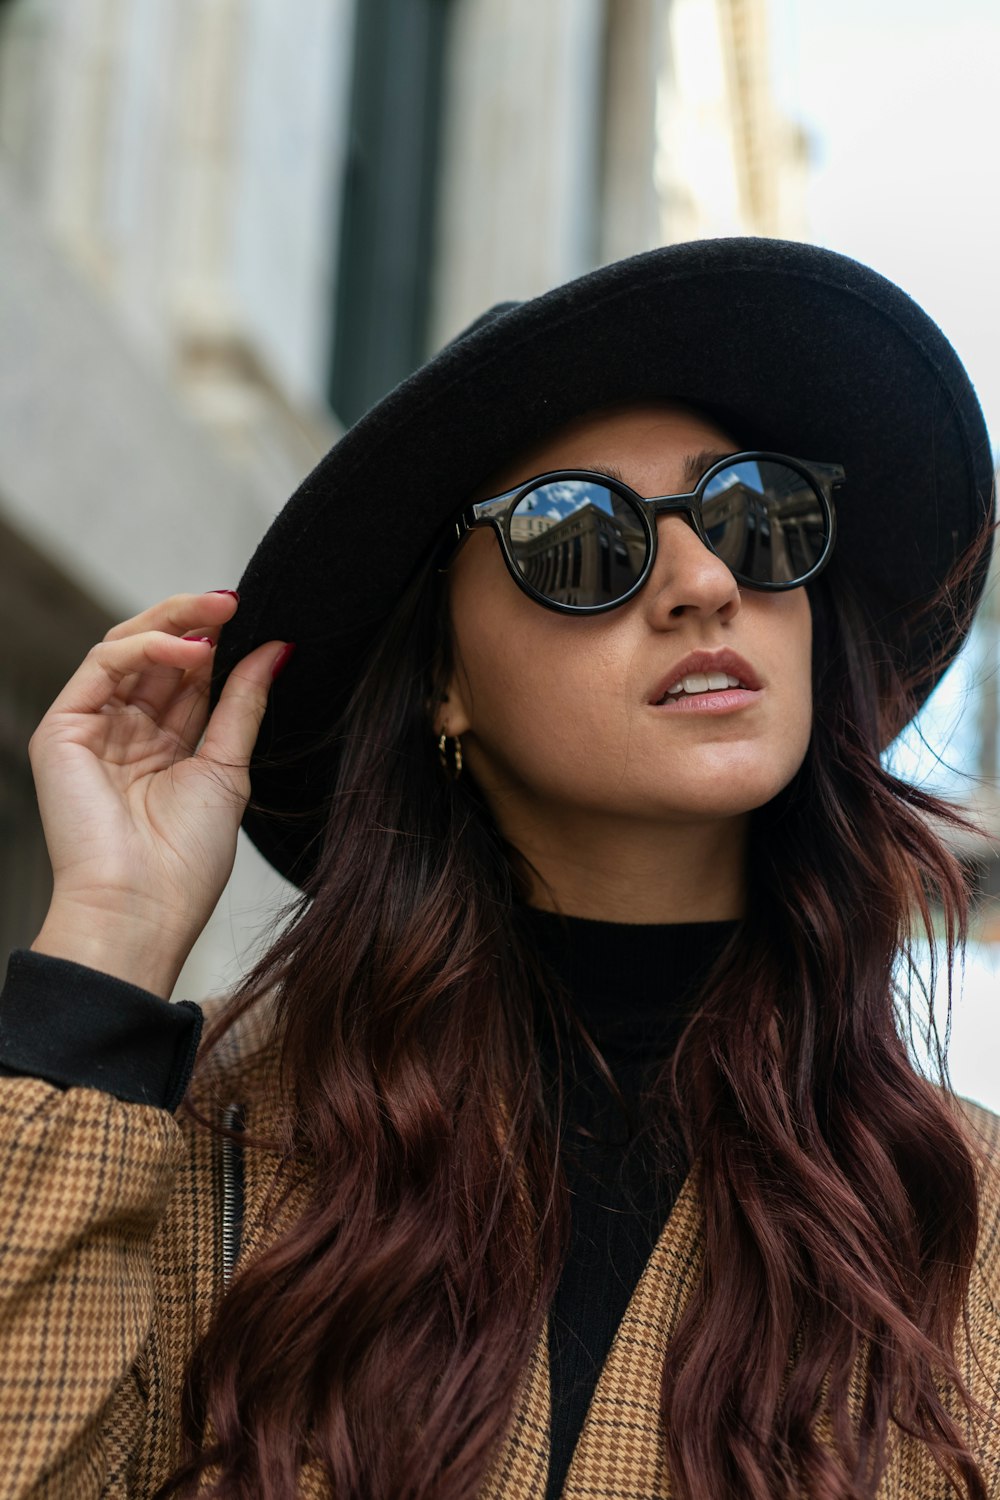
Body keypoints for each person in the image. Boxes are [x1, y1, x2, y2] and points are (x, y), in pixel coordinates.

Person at [1, 237, 998, 1500]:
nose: (701, 580)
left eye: (751, 513)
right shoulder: (218, 1169)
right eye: (578, 538)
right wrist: (109, 944)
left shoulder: (964, 1227)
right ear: (443, 682)